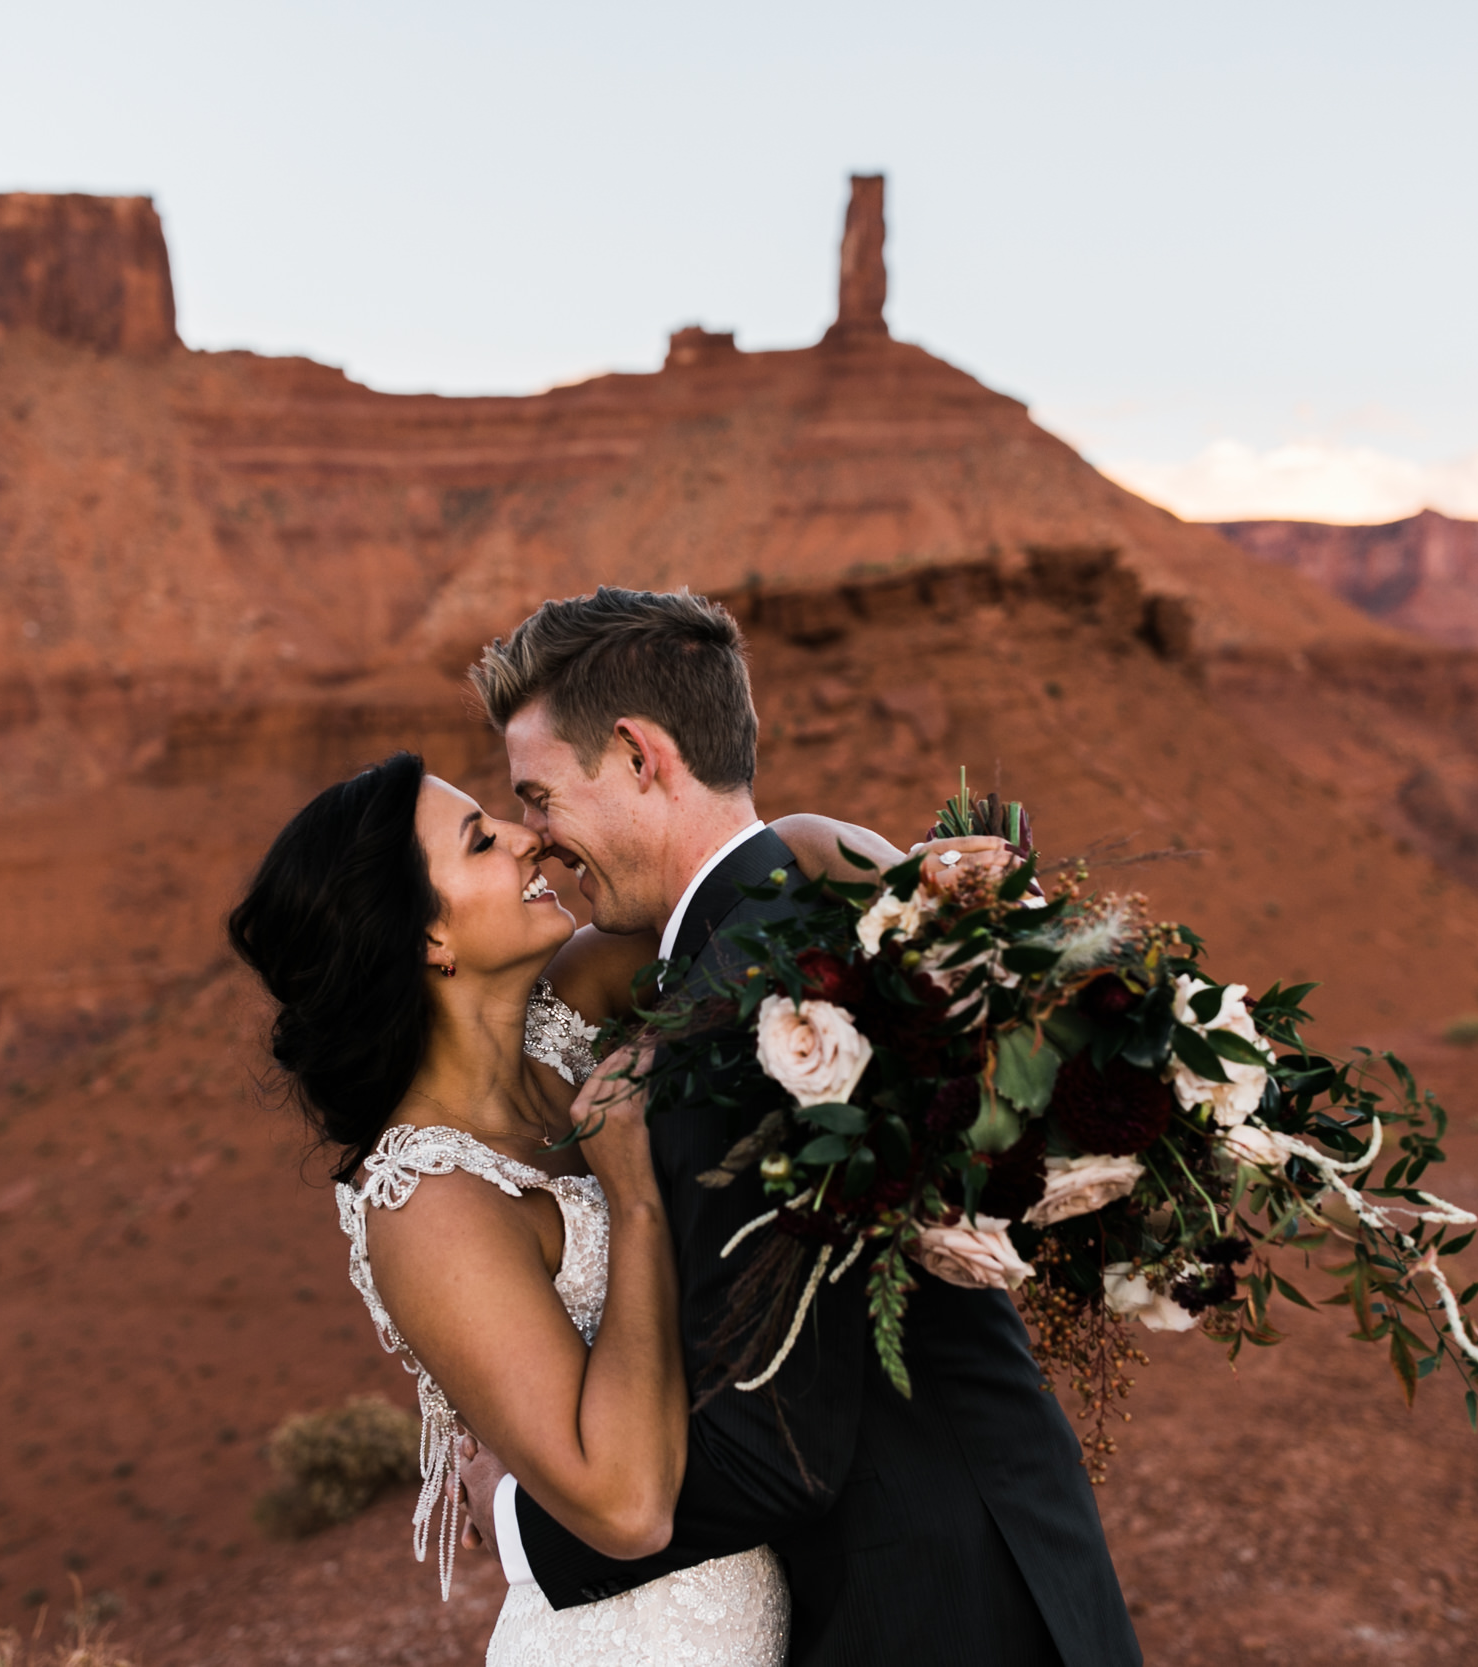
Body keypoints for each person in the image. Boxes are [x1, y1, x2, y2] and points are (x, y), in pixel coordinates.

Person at [453, 587, 1142, 1666]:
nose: (535, 839)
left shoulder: (723, 1032)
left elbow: (778, 1456)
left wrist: (518, 1508)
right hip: (1017, 1554)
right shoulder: (813, 905)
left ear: (639, 754)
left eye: (538, 793)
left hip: (930, 1608)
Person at [229, 749, 911, 1663]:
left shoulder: (577, 1010)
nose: (529, 838)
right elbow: (625, 1505)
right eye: (481, 839)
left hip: (776, 1597)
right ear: (428, 939)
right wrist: (632, 1198)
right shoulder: (428, 1202)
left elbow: (770, 871)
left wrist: (937, 894)